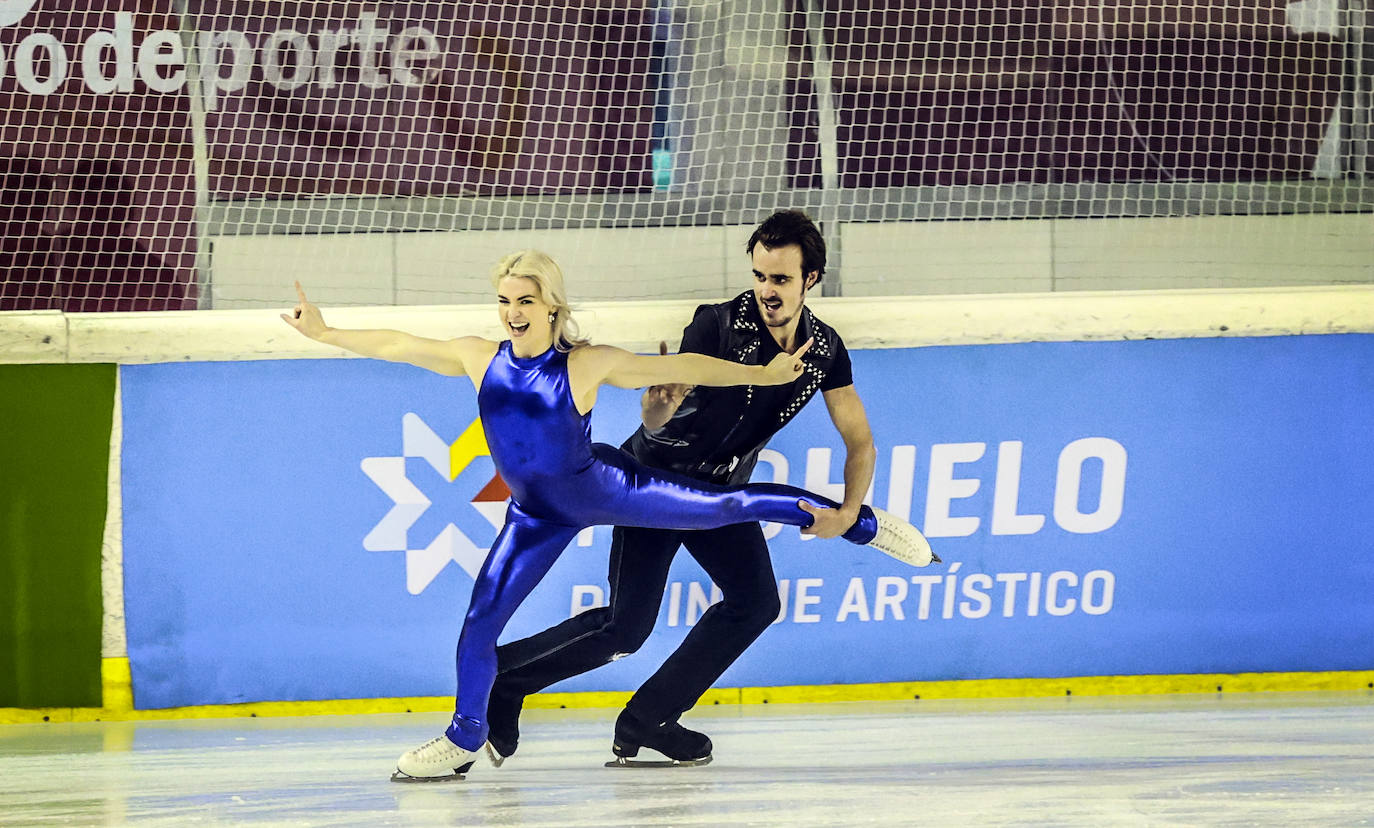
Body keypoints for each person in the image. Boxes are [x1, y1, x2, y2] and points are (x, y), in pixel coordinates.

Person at [280, 249, 928, 782]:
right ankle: (463, 736)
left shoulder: (583, 365)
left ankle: (863, 523)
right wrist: (325, 331)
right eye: (505, 301)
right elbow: (397, 342)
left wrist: (756, 371)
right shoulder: (480, 358)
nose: (512, 313)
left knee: (728, 506)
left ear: (552, 307)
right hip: (534, 516)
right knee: (479, 623)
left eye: (525, 301)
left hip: (604, 488)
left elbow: (680, 365)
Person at [483, 210, 937, 769]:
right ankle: (504, 681)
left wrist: (847, 510)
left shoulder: (824, 350)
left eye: (781, 279)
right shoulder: (717, 324)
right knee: (625, 627)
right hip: (654, 484)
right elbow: (657, 410)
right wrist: (656, 410)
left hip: (721, 495)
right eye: (760, 276)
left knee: (755, 604)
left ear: (810, 279)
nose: (767, 291)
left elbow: (860, 440)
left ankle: (648, 719)